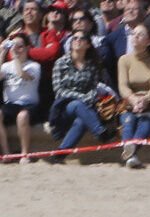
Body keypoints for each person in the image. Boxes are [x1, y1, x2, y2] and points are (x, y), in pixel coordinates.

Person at [47, 31, 111, 163]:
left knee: (81, 121)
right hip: (63, 108)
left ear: (87, 45)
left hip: (86, 108)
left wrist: (89, 98)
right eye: (74, 38)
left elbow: (94, 89)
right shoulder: (61, 63)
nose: (77, 40)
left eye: (82, 38)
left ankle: (60, 154)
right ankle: (100, 132)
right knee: (76, 104)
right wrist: (83, 97)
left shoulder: (92, 66)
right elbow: (59, 91)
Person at [117, 25, 150, 169]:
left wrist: (146, 98)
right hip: (129, 100)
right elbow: (122, 85)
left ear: (148, 40)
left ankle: (131, 153)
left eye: (140, 34)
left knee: (146, 121)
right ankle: (131, 154)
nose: (135, 36)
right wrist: (132, 99)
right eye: (134, 34)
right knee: (128, 120)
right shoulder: (124, 60)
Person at [0, 32, 41, 162]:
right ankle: (7, 153)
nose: (17, 49)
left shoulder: (34, 66)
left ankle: (25, 153)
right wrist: (2, 53)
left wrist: (15, 56)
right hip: (11, 104)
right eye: (14, 46)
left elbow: (22, 74)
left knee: (22, 116)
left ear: (28, 48)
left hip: (29, 104)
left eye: (20, 46)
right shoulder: (7, 66)